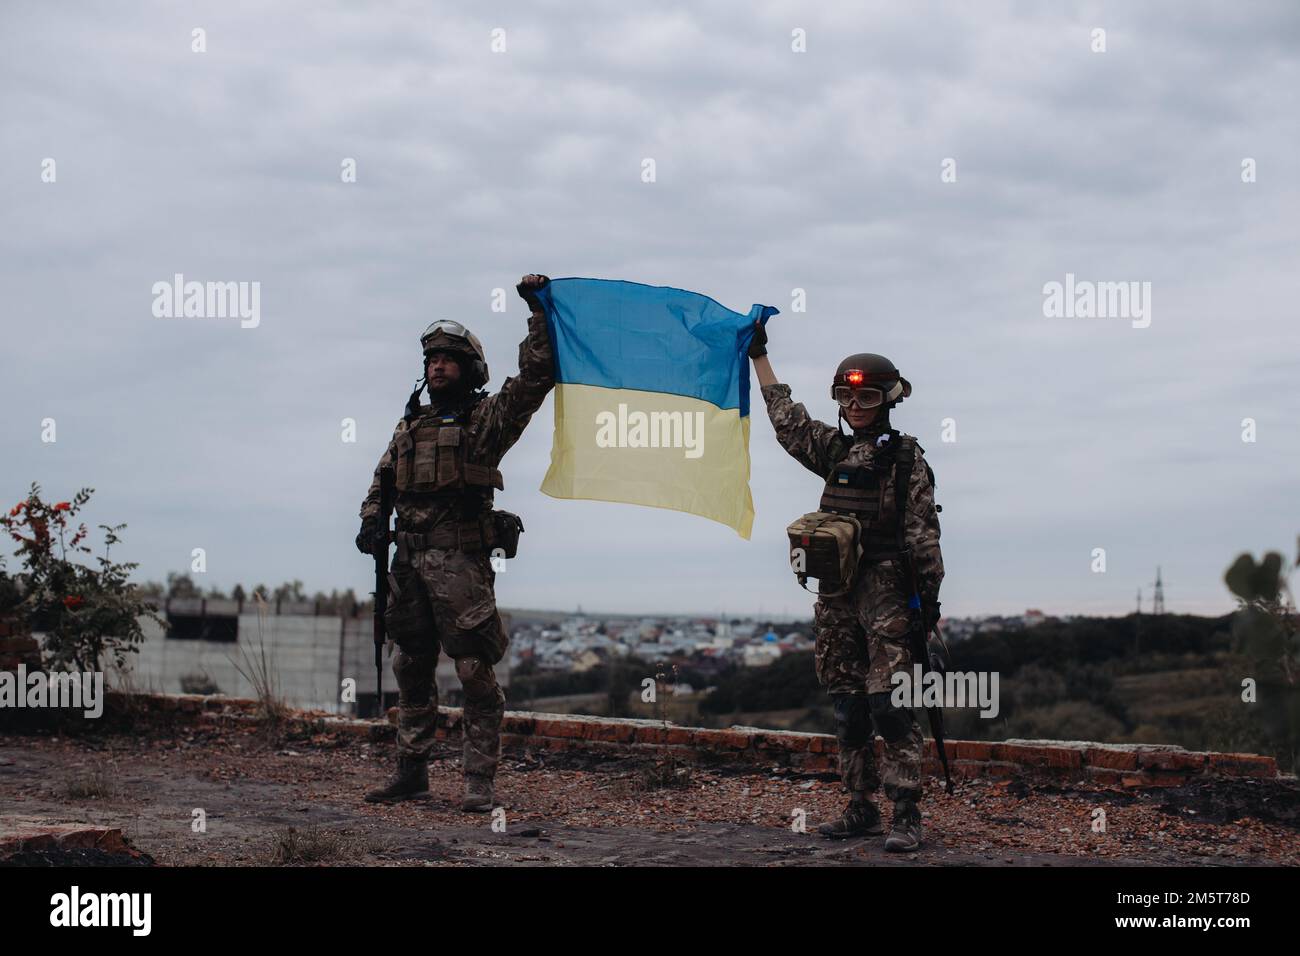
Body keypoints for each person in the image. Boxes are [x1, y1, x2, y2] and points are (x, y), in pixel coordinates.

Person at [355, 275, 554, 811]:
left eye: (448, 358)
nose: (437, 365)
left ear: (468, 369)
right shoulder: (409, 427)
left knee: (472, 670)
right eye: (431, 359)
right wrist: (372, 518)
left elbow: (536, 378)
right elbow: (382, 479)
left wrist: (538, 311)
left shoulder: (483, 422)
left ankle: (478, 782)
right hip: (408, 564)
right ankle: (411, 771)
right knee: (410, 666)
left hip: (460, 563)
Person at [749, 321, 944, 851]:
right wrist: (759, 356)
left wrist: (928, 607)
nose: (855, 404)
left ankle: (906, 812)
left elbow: (924, 538)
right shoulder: (834, 451)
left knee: (891, 705)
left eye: (867, 395)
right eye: (845, 394)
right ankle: (861, 807)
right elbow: (788, 424)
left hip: (888, 596)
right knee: (848, 705)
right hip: (836, 595)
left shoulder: (907, 461)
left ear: (889, 399)